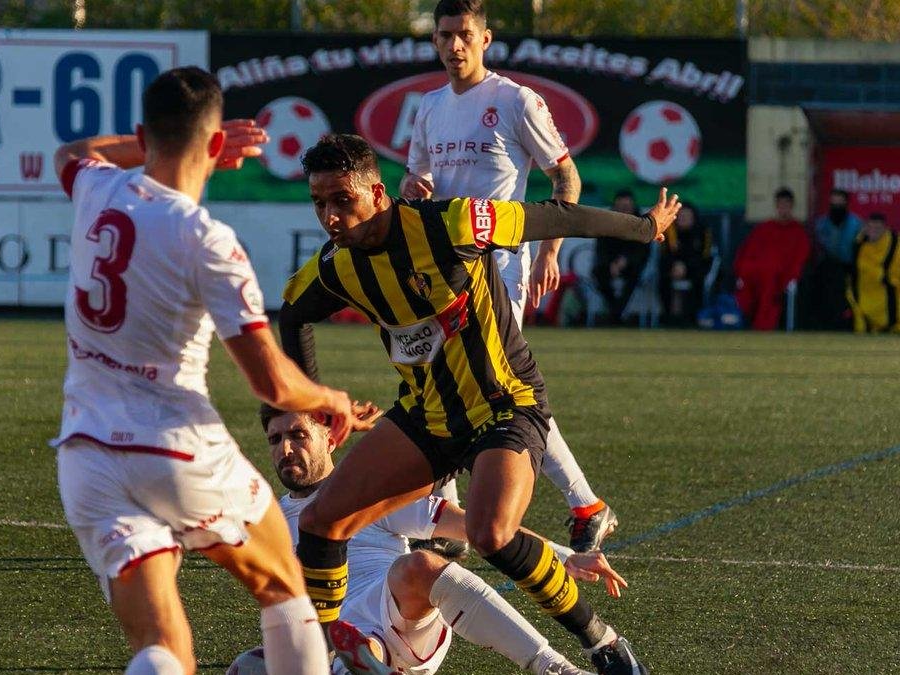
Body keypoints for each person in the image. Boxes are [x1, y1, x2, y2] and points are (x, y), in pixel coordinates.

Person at [282, 133, 676, 675]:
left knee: (491, 535)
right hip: (427, 416)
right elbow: (292, 315)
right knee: (322, 521)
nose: (330, 216)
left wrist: (644, 227)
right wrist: (309, 400)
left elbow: (551, 218)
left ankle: (600, 640)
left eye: (341, 200)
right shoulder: (335, 265)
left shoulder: (453, 224)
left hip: (504, 405)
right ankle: (320, 655)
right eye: (319, 203)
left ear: (377, 192)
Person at [50, 67, 361, 675]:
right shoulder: (206, 239)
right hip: (175, 447)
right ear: (217, 147)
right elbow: (271, 382)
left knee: (164, 652)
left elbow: (74, 152)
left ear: (143, 135)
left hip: (85, 456)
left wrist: (160, 146)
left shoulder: (98, 192)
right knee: (284, 588)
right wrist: (331, 398)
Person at [401, 0, 617, 554]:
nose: (454, 46)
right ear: (434, 41)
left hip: (499, 271)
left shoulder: (516, 101)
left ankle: (578, 504)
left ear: (486, 38)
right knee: (450, 386)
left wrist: (550, 252)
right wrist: (412, 192)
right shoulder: (427, 108)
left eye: (464, 35)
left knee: (493, 391)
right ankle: (580, 506)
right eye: (445, 35)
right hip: (443, 272)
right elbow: (415, 182)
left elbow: (564, 178)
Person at [262, 407, 628, 675]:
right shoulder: (270, 520)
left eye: (298, 434)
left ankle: (554, 668)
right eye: (276, 439)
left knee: (418, 566)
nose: (286, 449)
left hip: (399, 604)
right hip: (338, 635)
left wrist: (564, 556)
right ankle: (369, 663)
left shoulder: (368, 493)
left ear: (330, 438)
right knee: (340, 650)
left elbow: (473, 525)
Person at [733, 187, 810, 331]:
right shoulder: (764, 229)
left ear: (792, 206)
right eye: (781, 204)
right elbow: (747, 253)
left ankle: (763, 325)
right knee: (748, 279)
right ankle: (741, 320)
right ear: (776, 205)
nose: (783, 209)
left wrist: (789, 275)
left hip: (778, 277)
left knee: (770, 283)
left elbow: (800, 260)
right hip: (757, 275)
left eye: (786, 205)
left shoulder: (798, 232)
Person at [846, 213, 900, 333]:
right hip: (867, 288)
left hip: (892, 287)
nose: (874, 232)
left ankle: (891, 323)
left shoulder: (897, 243)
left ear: (885, 228)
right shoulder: (859, 243)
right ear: (866, 227)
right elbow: (856, 269)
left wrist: (881, 275)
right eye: (871, 228)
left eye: (878, 228)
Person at [808, 189, 863, 330]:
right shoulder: (821, 224)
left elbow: (860, 250)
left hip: (850, 268)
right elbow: (817, 249)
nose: (836, 206)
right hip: (827, 269)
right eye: (834, 202)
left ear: (846, 203)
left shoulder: (856, 224)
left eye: (840, 202)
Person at [657, 202, 712, 326]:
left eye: (687, 217)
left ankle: (692, 318)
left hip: (695, 268)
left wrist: (686, 267)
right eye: (680, 216)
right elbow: (665, 253)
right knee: (663, 279)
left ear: (693, 218)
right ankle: (669, 318)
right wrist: (675, 266)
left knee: (698, 279)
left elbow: (705, 256)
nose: (683, 219)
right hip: (673, 268)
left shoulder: (702, 231)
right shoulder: (669, 230)